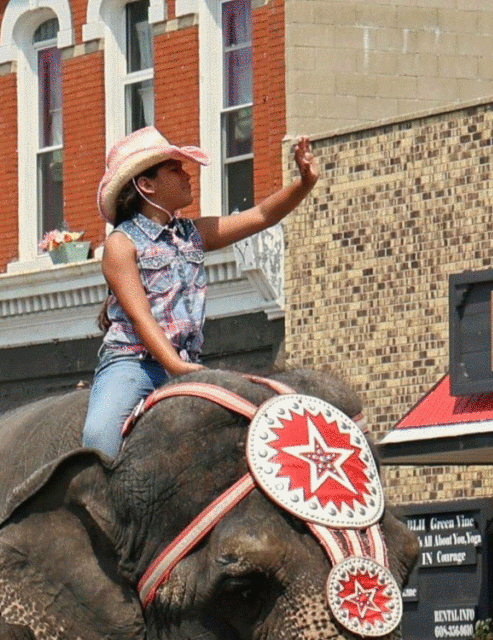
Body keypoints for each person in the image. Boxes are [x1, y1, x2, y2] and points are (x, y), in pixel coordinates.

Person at [80, 127, 321, 454]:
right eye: (174, 169)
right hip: (133, 365)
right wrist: (177, 368)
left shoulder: (193, 233)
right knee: (99, 439)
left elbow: (262, 214)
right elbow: (140, 316)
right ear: (146, 185)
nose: (186, 174)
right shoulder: (121, 245)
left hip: (185, 363)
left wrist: (304, 183)